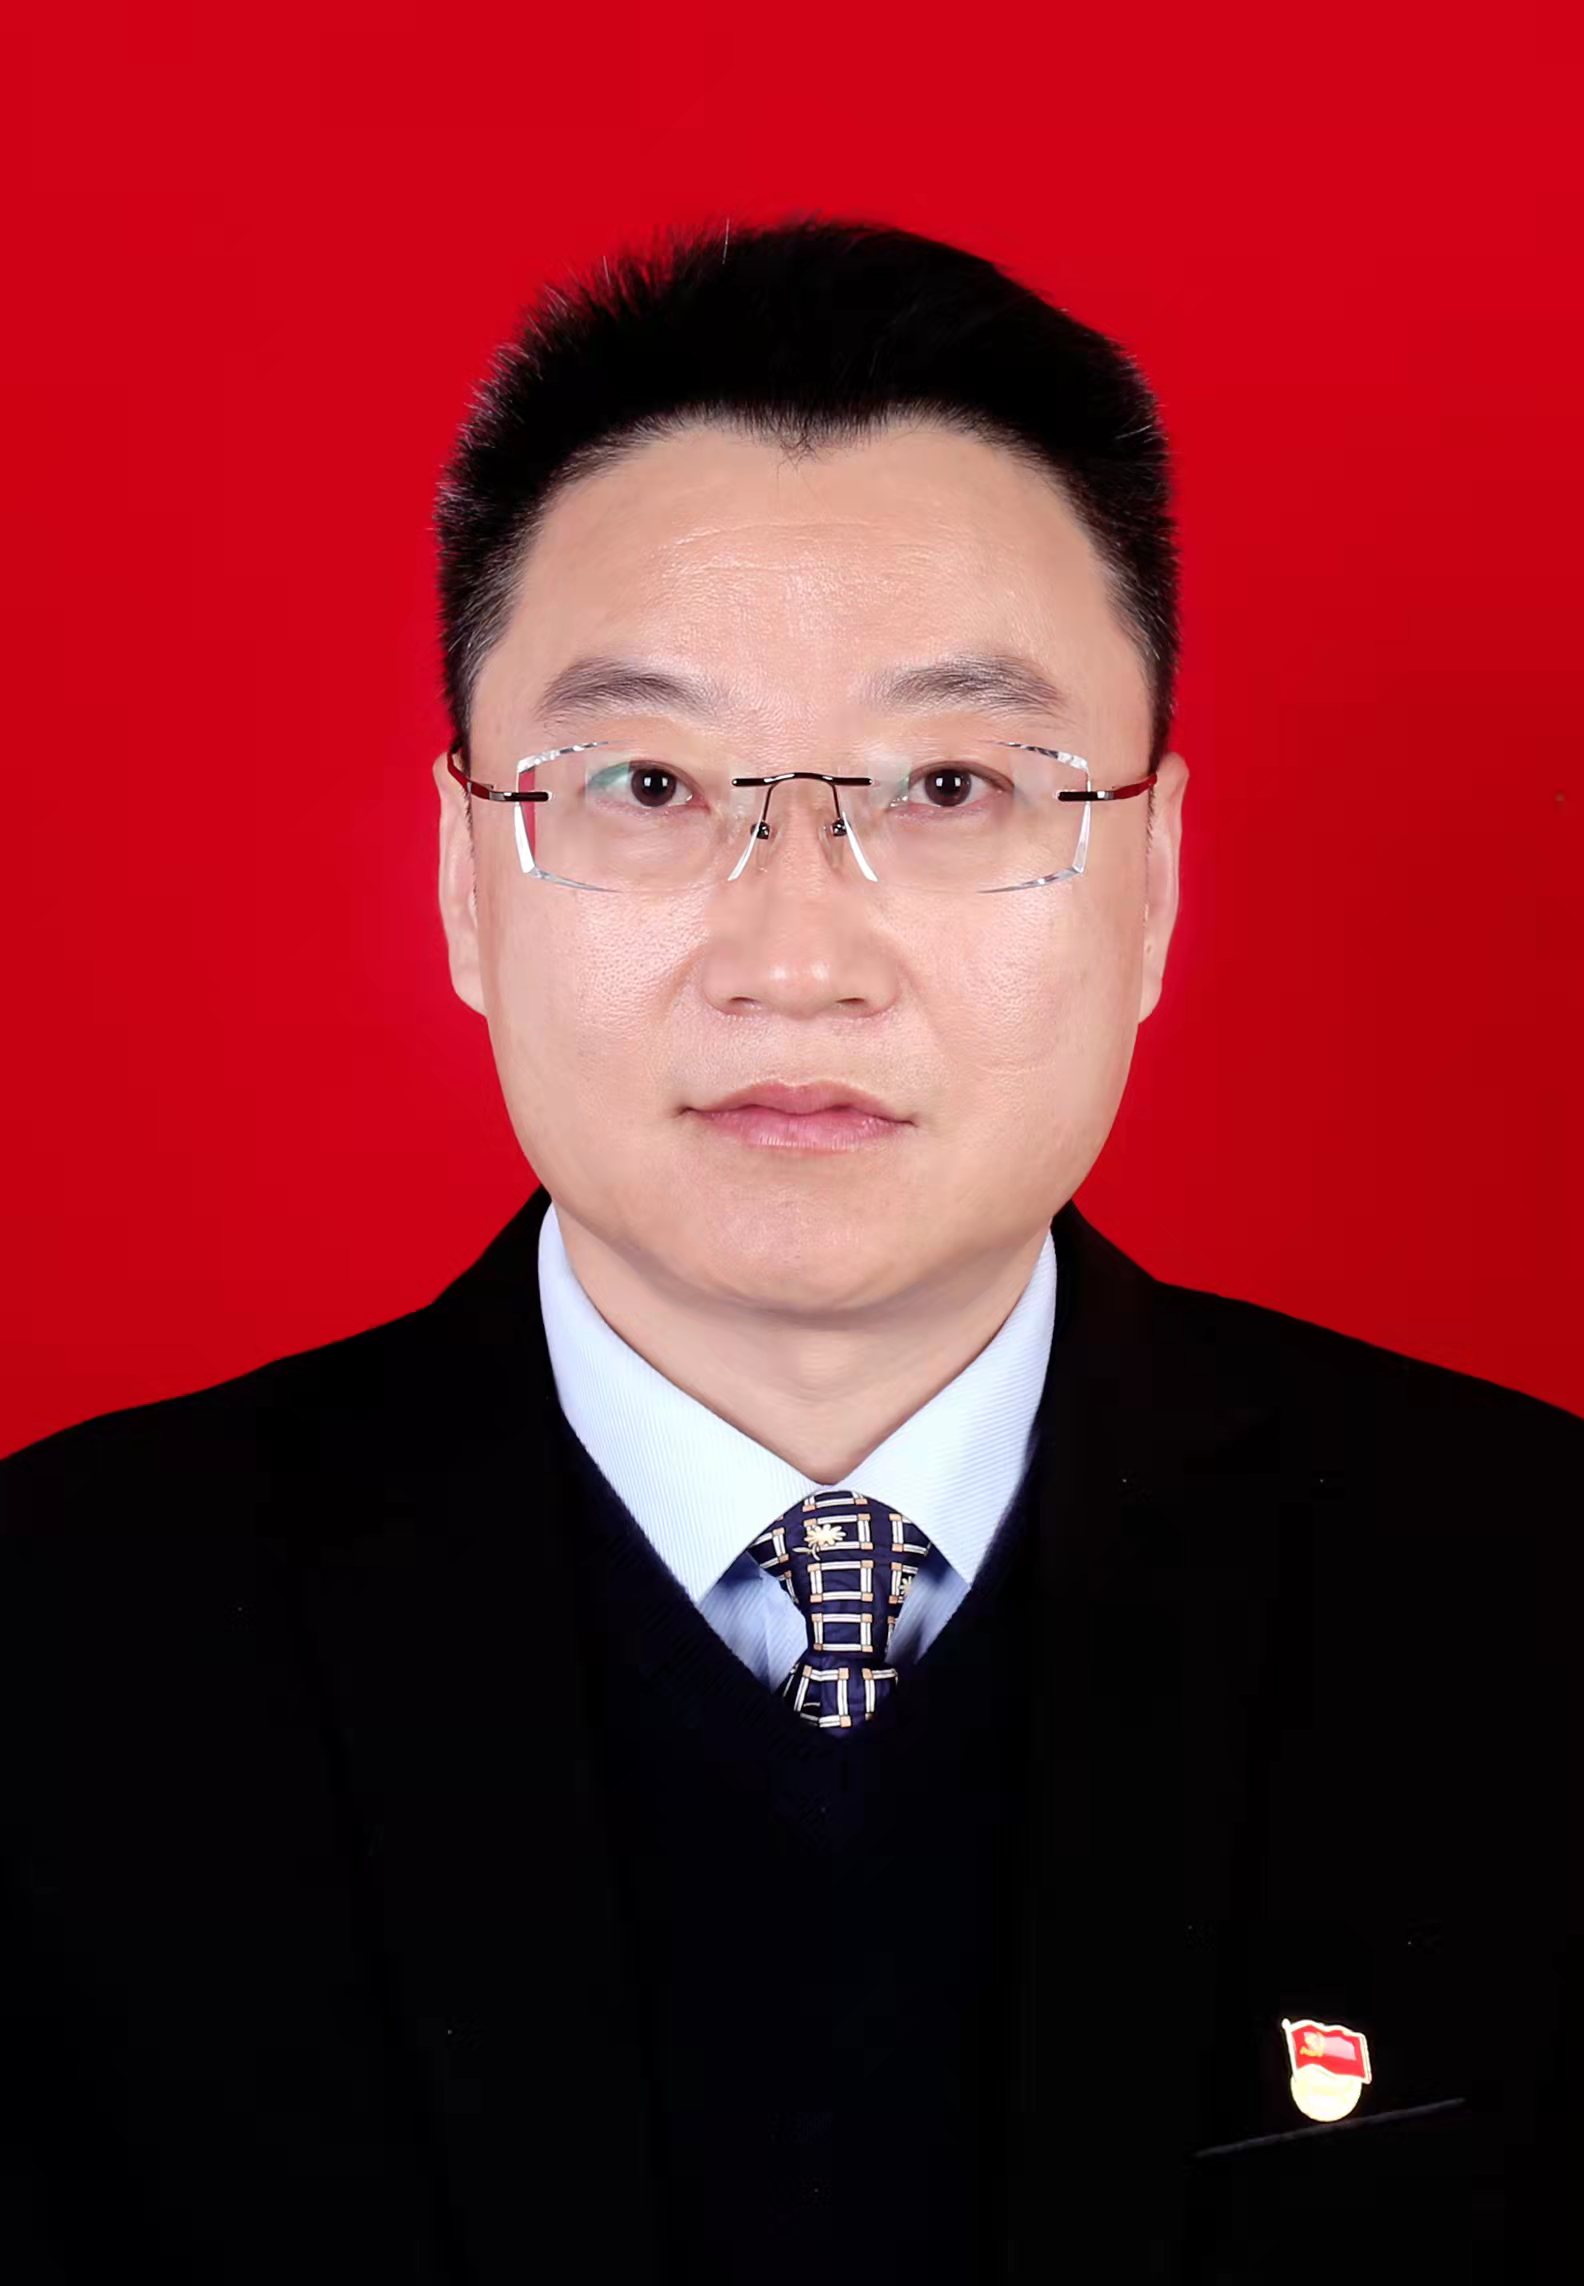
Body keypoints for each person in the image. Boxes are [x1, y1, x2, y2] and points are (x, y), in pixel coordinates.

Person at [0, 216, 1577, 2286]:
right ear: (469, 876)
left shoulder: (1531, 1603)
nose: (799, 954)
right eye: (650, 781)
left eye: (954, 783)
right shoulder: (60, 1659)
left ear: (1155, 880)